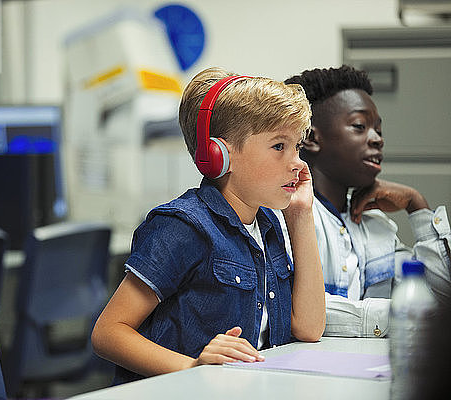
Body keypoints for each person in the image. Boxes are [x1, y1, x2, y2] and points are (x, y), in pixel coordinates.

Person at [91, 67, 326, 385]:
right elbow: (108, 333)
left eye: (296, 147)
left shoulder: (267, 224)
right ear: (220, 156)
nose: (298, 162)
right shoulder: (182, 227)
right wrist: (193, 367)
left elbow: (310, 328)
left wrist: (301, 217)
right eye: (278, 146)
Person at [282, 65, 451, 338]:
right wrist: (400, 313)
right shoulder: (284, 217)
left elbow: (441, 297)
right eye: (360, 126)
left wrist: (416, 204)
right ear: (312, 138)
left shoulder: (376, 226)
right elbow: (288, 308)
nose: (377, 139)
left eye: (378, 130)